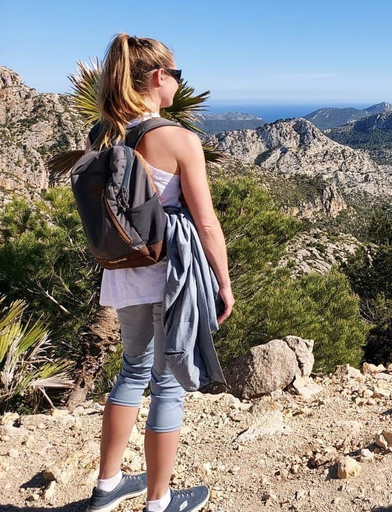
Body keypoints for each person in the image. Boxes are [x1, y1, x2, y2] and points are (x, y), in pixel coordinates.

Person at [84, 33, 234, 512]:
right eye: (176, 74)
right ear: (157, 78)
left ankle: (107, 487)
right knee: (168, 383)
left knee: (131, 372)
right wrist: (224, 281)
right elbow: (206, 221)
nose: (177, 83)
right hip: (168, 274)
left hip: (122, 269)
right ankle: (159, 500)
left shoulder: (102, 135)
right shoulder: (178, 138)